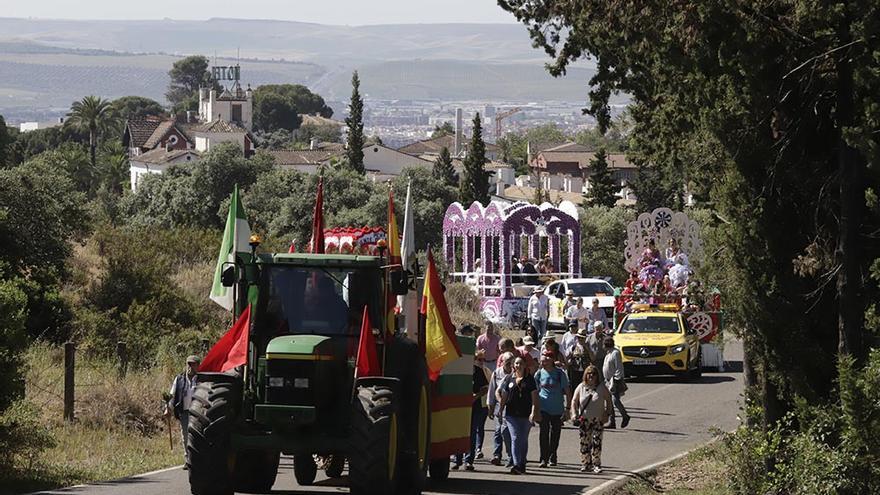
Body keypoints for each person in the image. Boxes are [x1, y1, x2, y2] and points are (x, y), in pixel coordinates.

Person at [499, 356, 540, 475]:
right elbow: (504, 396)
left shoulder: (530, 380)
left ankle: (522, 463)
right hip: (511, 415)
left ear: (525, 365)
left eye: (520, 363)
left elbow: (534, 399)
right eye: (516, 363)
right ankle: (516, 464)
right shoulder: (508, 379)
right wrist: (501, 410)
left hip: (526, 415)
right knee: (515, 437)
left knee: (523, 439)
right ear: (513, 365)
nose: (518, 365)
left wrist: (533, 412)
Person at [570, 365, 613, 473]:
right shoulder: (581, 387)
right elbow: (574, 401)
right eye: (589, 373)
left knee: (596, 442)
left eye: (593, 374)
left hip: (597, 419)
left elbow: (609, 400)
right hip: (584, 420)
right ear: (585, 375)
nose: (591, 376)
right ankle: (586, 463)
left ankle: (596, 464)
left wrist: (607, 414)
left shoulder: (601, 387)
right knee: (584, 442)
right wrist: (574, 414)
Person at [453, 350, 491, 470]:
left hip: (475, 406)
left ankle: (469, 460)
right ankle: (457, 460)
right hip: (460, 407)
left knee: (472, 433)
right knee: (459, 432)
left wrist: (476, 396)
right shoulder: (459, 371)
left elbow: (485, 388)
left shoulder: (478, 371)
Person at [535, 351, 570, 467]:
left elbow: (567, 391)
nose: (542, 362)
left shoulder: (560, 374)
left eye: (545, 360)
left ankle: (552, 455)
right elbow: (534, 392)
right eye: (542, 360)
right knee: (543, 433)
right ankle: (543, 458)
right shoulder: (539, 374)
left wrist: (568, 408)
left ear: (551, 360)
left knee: (555, 434)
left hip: (557, 409)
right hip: (543, 407)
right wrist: (534, 408)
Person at [165, 355, 200, 467]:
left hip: (198, 413)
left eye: (193, 364)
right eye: (188, 364)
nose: (190, 366)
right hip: (184, 412)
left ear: (198, 366)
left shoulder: (201, 379)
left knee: (197, 436)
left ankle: (197, 458)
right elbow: (172, 394)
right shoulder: (179, 379)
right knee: (185, 436)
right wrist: (168, 408)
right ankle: (188, 460)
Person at [488, 351, 515, 467]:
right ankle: (497, 455)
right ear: (502, 362)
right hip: (500, 406)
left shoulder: (516, 373)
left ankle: (511, 455)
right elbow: (492, 390)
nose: (510, 365)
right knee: (498, 431)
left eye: (511, 363)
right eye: (507, 363)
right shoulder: (497, 373)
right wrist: (491, 407)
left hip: (513, 406)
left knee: (508, 433)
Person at [602, 336, 630, 429]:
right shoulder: (608, 353)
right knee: (609, 401)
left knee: (615, 400)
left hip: (614, 381)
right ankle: (612, 421)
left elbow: (619, 368)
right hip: (607, 380)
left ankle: (625, 416)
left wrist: (616, 379)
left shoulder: (615, 353)